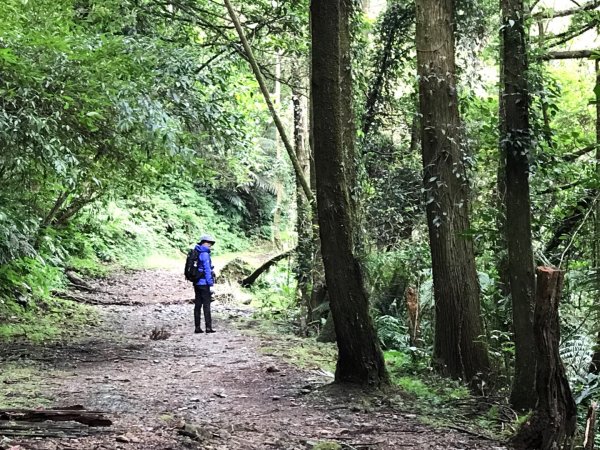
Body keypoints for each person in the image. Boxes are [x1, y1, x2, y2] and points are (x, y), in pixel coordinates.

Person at [193, 234, 216, 334]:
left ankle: (197, 328)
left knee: (197, 305)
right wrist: (210, 282)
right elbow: (207, 269)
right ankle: (208, 327)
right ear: (204, 243)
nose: (210, 245)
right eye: (209, 243)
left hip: (196, 282)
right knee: (206, 305)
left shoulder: (196, 251)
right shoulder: (205, 254)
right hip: (204, 283)